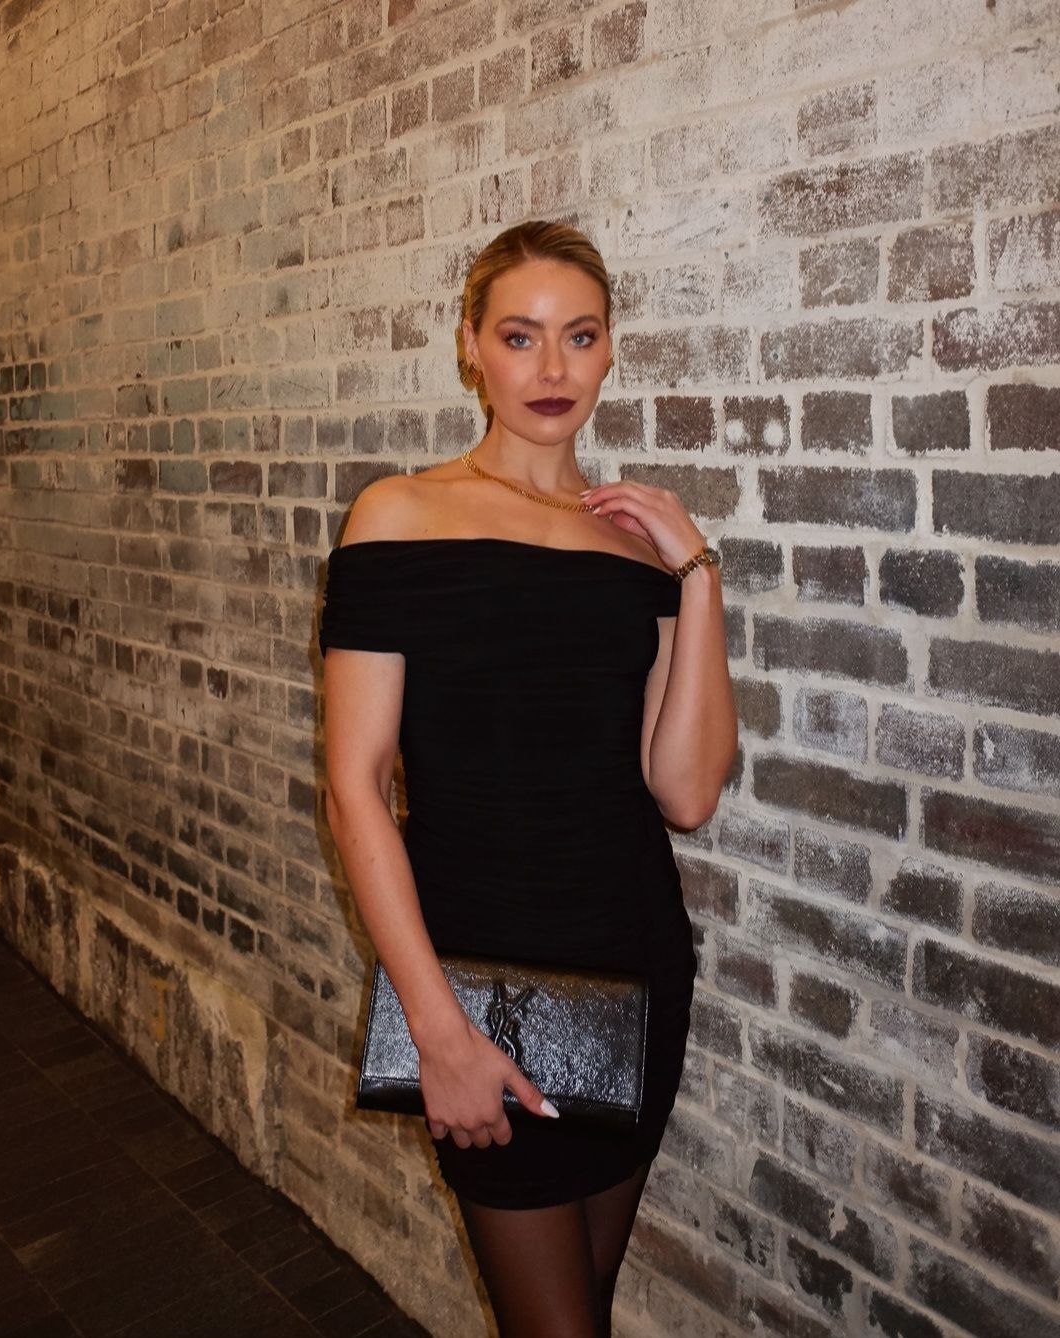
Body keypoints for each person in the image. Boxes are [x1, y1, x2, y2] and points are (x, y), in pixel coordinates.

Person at [320, 220, 738, 1337]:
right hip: (476, 984)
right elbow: (354, 788)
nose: (553, 368)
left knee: (579, 1310)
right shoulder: (397, 515)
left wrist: (698, 574)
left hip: (634, 966)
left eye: (580, 337)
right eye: (520, 336)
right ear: (471, 346)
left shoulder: (639, 549)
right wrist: (438, 1029)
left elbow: (686, 792)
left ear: (610, 350)